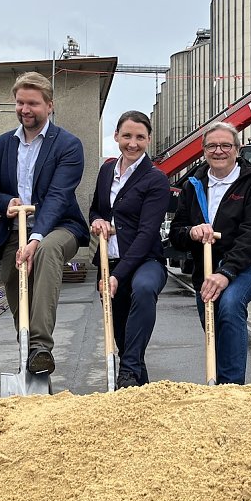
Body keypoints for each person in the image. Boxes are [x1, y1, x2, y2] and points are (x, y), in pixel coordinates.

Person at [0, 71, 88, 377]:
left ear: (49, 106)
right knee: (18, 295)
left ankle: (41, 346)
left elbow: (57, 196)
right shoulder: (2, 144)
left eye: (33, 103)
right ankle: (31, 356)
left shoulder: (68, 145)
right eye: (20, 103)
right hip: (13, 232)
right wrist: (6, 203)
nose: (25, 109)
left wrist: (36, 237)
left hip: (59, 228)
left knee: (46, 252)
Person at [168, 121, 251, 384]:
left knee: (229, 304)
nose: (219, 151)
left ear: (238, 150)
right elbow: (176, 232)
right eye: (212, 146)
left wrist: (226, 272)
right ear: (203, 151)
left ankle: (232, 388)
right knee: (212, 321)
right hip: (205, 269)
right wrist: (192, 231)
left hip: (248, 266)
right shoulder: (193, 185)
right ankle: (217, 384)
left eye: (226, 145)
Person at [90, 111, 170, 388]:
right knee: (125, 340)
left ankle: (130, 372)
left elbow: (147, 233)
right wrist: (97, 221)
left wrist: (117, 275)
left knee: (145, 289)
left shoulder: (156, 179)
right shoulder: (106, 172)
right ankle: (138, 391)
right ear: (116, 136)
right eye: (127, 136)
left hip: (145, 261)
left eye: (139, 137)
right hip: (109, 261)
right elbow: (97, 210)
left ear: (149, 139)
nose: (132, 143)